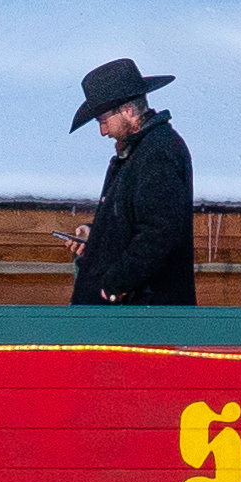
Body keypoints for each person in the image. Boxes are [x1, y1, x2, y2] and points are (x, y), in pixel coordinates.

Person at [62, 57, 190, 308]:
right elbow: (134, 221)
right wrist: (96, 236)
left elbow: (159, 233)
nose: (103, 131)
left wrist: (114, 286)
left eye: (103, 120)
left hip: (138, 313)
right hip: (129, 311)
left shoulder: (157, 152)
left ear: (128, 111)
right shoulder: (141, 151)